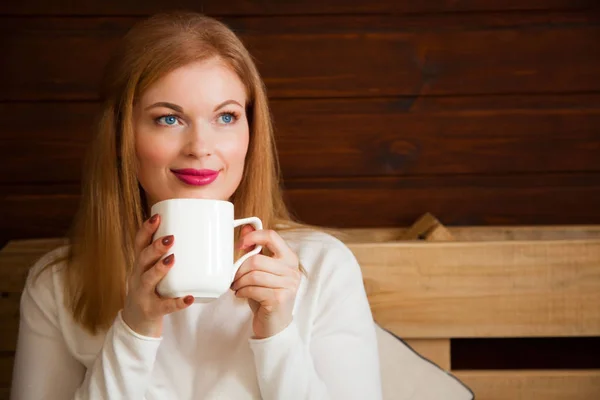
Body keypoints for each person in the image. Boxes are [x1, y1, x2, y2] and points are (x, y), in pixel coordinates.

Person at [10, 11, 382, 400]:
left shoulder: (322, 269)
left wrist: (278, 333)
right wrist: (135, 329)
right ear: (122, 135)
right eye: (169, 119)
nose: (200, 147)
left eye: (226, 116)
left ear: (251, 132)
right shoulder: (55, 286)